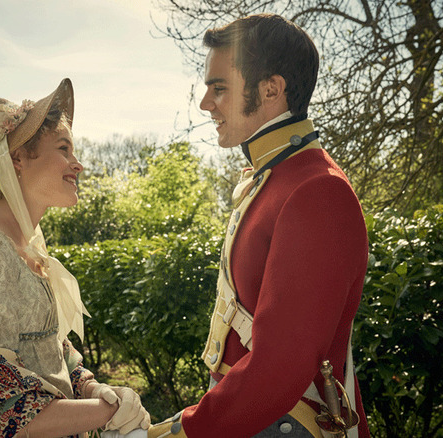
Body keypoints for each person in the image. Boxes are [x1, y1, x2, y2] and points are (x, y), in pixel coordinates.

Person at [144, 14, 371, 438]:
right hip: (247, 415)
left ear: (271, 89)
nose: (205, 103)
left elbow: (279, 370)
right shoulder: (278, 177)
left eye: (220, 88)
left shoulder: (318, 191)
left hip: (283, 421)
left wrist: (184, 432)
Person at [0, 78, 150, 438]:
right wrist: (107, 410)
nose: (78, 165)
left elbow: (49, 350)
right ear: (17, 158)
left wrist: (93, 388)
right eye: (65, 149)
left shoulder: (26, 251)